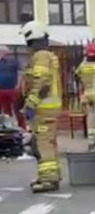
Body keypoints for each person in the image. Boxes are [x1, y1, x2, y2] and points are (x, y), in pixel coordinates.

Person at [17, 21, 62, 193]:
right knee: (47, 142)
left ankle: (49, 180)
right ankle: (51, 175)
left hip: (44, 108)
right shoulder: (47, 55)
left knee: (43, 143)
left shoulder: (41, 55)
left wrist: (30, 104)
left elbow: (42, 82)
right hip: (47, 108)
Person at [75, 41, 95, 147]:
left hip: (86, 94)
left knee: (90, 118)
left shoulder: (83, 65)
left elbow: (76, 75)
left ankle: (91, 140)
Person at [0, 45, 23, 128]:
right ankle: (6, 126)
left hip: (12, 89)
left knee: (17, 109)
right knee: (5, 110)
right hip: (1, 90)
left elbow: (20, 73)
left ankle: (21, 127)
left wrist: (18, 84)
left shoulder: (14, 61)